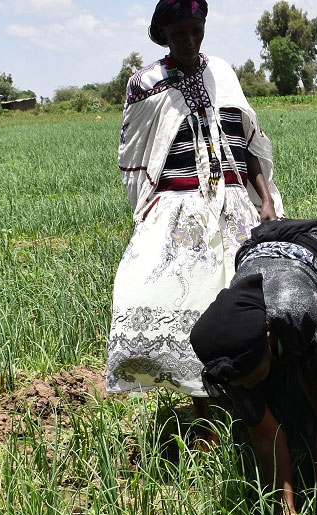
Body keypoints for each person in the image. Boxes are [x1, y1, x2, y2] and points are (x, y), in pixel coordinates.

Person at [106, 0, 285, 428]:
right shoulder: (145, 83)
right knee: (180, 304)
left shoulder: (221, 73)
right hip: (178, 211)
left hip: (235, 205)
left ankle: (248, 403)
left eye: (196, 31)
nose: (189, 41)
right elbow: (137, 153)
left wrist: (264, 200)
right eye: (179, 33)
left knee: (246, 306)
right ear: (163, 34)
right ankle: (203, 410)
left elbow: (246, 143)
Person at [189, 219, 317, 515]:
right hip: (258, 259)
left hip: (315, 256)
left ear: (268, 339)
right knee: (268, 408)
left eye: (254, 376)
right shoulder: (229, 356)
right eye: (244, 382)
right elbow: (265, 434)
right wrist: (285, 509)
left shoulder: (300, 313)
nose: (251, 384)